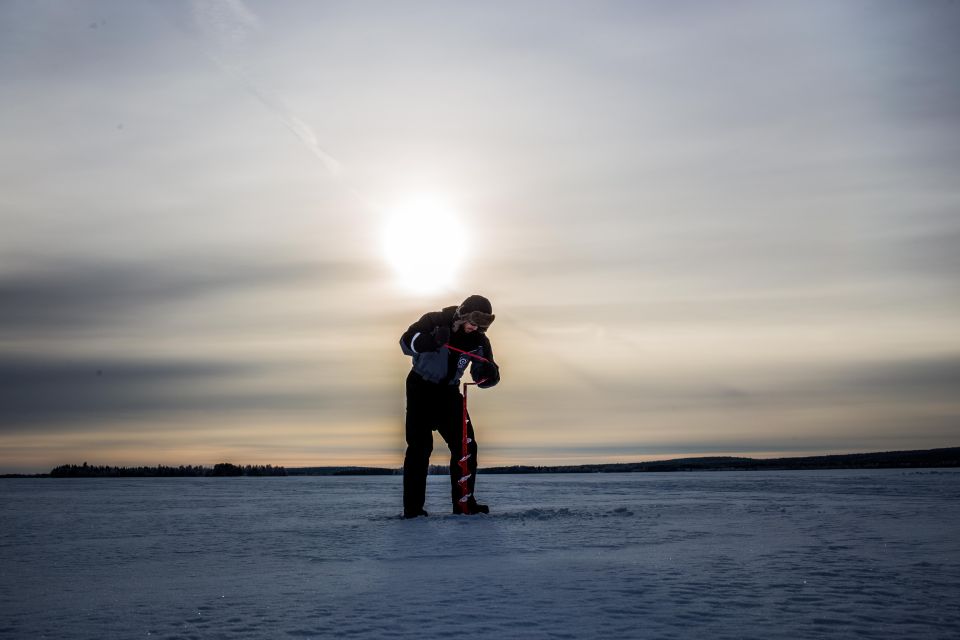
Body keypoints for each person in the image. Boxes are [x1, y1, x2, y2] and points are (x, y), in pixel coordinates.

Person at [399, 294, 500, 518]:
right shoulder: (435, 320)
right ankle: (413, 510)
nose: (476, 328)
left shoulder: (480, 341)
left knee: (466, 447)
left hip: (449, 393)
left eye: (482, 326)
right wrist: (430, 341)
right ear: (462, 315)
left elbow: (484, 373)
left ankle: (464, 504)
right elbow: (406, 343)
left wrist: (488, 375)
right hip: (420, 388)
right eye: (473, 322)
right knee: (419, 448)